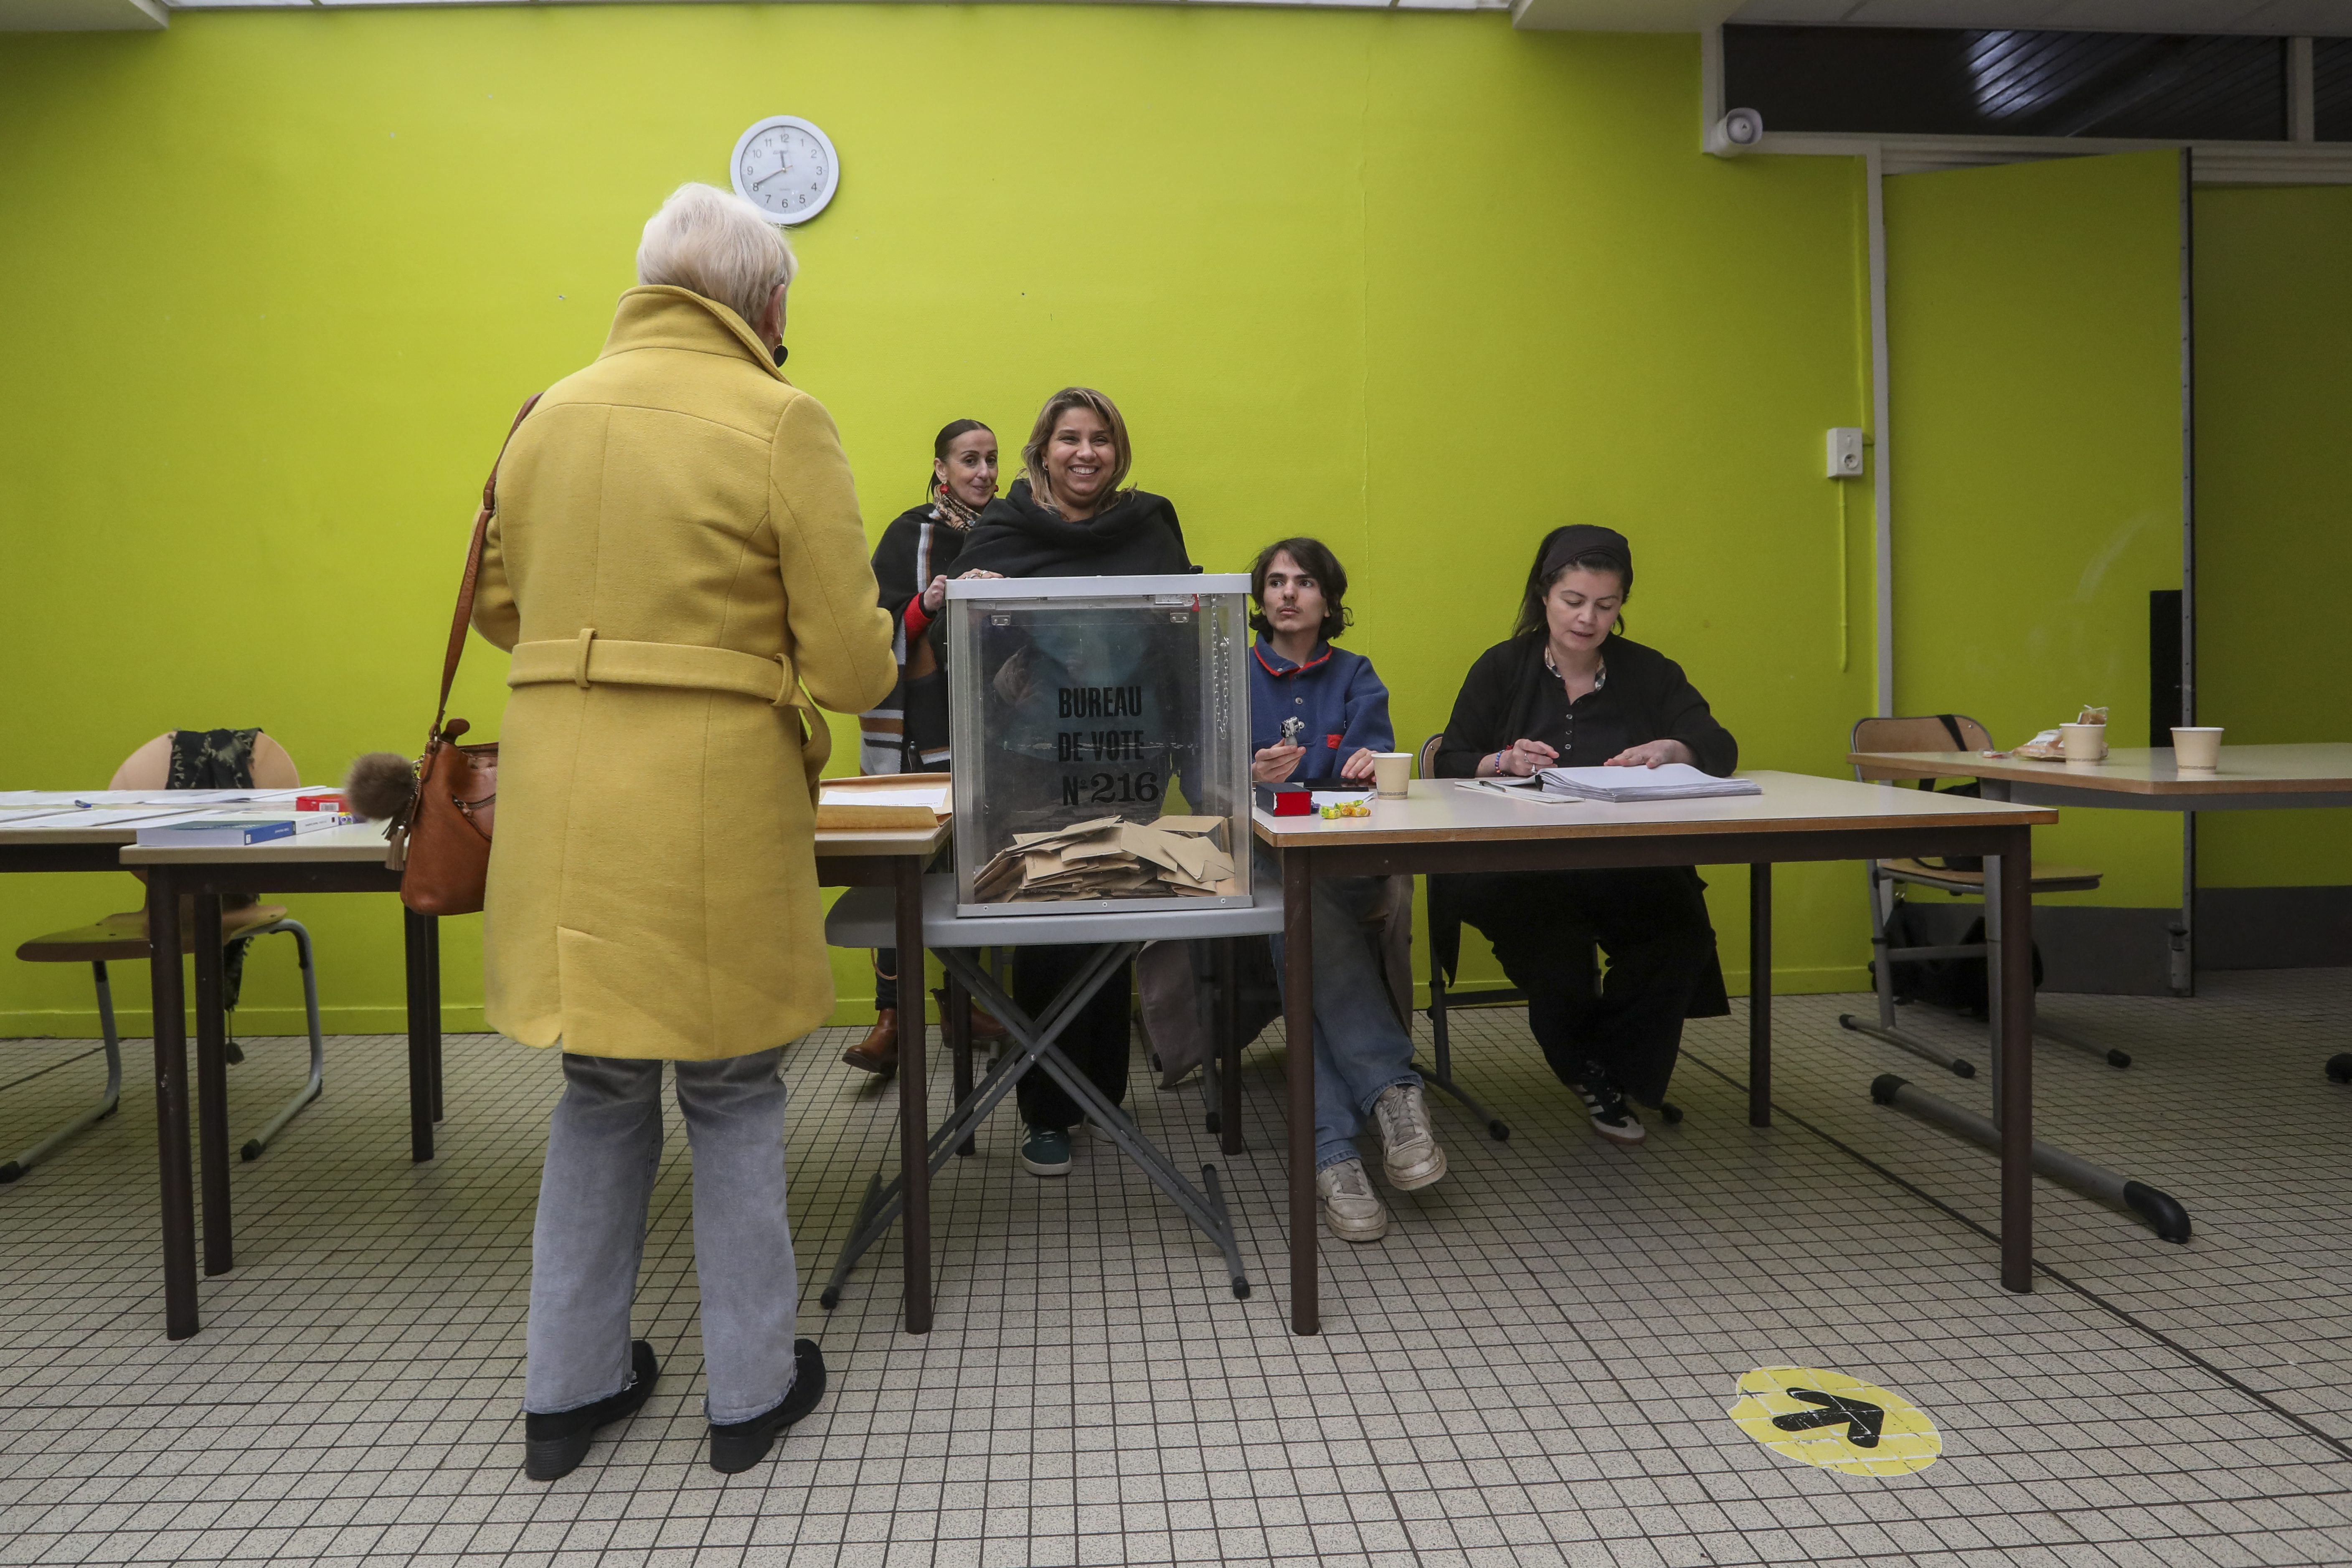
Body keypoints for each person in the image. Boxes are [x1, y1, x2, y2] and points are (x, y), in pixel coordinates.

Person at [472, 183, 897, 1481]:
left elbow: (498, 609)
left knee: (598, 1088)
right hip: (708, 806)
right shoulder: (780, 419)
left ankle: (567, 1394)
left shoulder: (546, 415)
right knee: (731, 1087)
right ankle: (751, 1391)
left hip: (561, 806)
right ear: (765, 302)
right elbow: (854, 670)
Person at [1430, 524, 1733, 1145]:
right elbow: (1447, 758)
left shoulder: (1648, 671)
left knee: (1681, 934)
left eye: (1605, 605)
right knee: (1557, 951)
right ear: (1545, 594)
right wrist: (1502, 760)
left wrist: (1673, 748)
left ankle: (1607, 1068)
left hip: (1625, 863)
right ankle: (1587, 1068)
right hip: (1516, 867)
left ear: (1621, 605)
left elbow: (1719, 746)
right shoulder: (1502, 667)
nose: (1588, 619)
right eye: (1573, 601)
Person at [954, 386, 1190, 1177]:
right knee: (1047, 931)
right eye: (1070, 438)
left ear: (1118, 452)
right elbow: (964, 644)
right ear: (1043, 450)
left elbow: (1180, 634)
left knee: (1112, 923)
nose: (1086, 452)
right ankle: (1047, 1110)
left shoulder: (1151, 524)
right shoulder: (1003, 528)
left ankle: (1103, 1095)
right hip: (1030, 766)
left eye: (1101, 439)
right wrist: (977, 604)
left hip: (1126, 753)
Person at [1247, 539, 1445, 1243]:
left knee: (1304, 910)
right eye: (1276, 581)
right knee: (1293, 898)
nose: (1288, 593)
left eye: (1304, 581)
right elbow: (1203, 779)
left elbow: (1375, 770)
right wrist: (1249, 774)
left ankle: (1333, 1153)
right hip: (1264, 862)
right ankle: (1387, 1093)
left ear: (1329, 600)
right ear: (1260, 598)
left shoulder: (1357, 673)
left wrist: (1364, 766)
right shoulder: (1233, 673)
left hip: (1344, 863)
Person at [843, 419, 1007, 1075]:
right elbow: (873, 629)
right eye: (970, 459)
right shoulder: (908, 534)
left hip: (996, 730)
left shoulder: (1015, 531)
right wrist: (927, 604)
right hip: (919, 733)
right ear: (941, 469)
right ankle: (892, 1015)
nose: (984, 472)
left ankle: (963, 1002)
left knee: (978, 868)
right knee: (903, 872)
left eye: (992, 459)